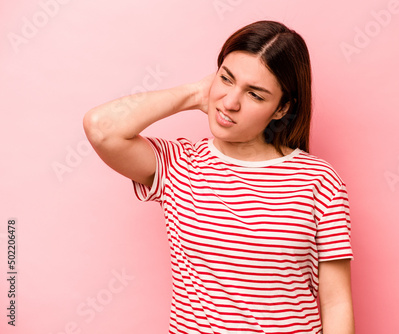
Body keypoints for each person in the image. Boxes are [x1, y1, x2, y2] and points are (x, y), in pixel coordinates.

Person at [83, 20, 354, 334]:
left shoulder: (319, 181)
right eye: (226, 78)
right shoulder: (179, 165)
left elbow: (337, 303)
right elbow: (101, 128)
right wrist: (196, 93)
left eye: (255, 94)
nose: (230, 103)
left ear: (281, 109)